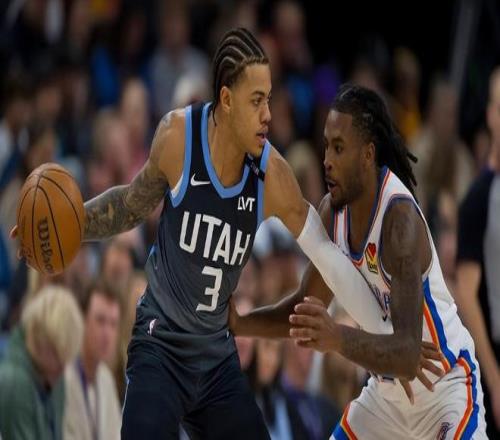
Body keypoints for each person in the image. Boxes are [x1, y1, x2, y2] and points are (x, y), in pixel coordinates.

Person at [11, 28, 435, 439]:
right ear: (227, 100)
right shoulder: (178, 137)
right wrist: (71, 226)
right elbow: (130, 205)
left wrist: (391, 341)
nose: (268, 114)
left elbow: (328, 259)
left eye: (269, 99)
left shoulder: (273, 176)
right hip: (161, 346)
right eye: (257, 100)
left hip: (215, 358)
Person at [231, 84, 487, 439]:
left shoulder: (399, 221)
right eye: (325, 145)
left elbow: (408, 354)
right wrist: (240, 324)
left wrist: (336, 337)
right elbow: (303, 309)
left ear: (368, 154)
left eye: (339, 148)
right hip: (387, 400)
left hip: (444, 391)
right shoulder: (332, 213)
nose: (327, 160)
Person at [456, 66, 500, 438]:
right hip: (492, 369)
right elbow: (466, 294)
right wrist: (495, 379)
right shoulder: (478, 199)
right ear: (491, 115)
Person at [0, 285, 83, 440]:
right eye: (57, 353)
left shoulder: (53, 376)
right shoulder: (15, 384)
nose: (63, 366)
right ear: (38, 338)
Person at [64, 280, 122, 440]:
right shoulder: (63, 376)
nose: (107, 334)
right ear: (82, 320)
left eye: (113, 324)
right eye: (100, 321)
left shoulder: (106, 379)